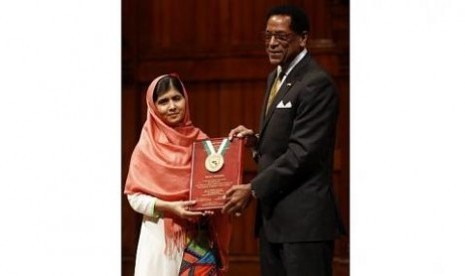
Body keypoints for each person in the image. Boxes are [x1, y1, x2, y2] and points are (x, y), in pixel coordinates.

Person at [222, 5, 345, 276]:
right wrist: (255, 141)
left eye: (281, 37)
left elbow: (302, 153)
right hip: (273, 222)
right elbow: (283, 142)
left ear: (303, 38)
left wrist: (252, 189)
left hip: (304, 226)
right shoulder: (275, 77)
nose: (273, 44)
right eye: (267, 36)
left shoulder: (316, 83)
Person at [125, 73, 232, 276]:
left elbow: (214, 186)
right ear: (153, 107)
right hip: (160, 244)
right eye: (163, 101)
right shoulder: (146, 147)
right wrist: (170, 207)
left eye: (176, 98)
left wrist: (212, 204)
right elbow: (134, 198)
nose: (172, 106)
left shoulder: (203, 143)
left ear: (185, 99)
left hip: (197, 240)